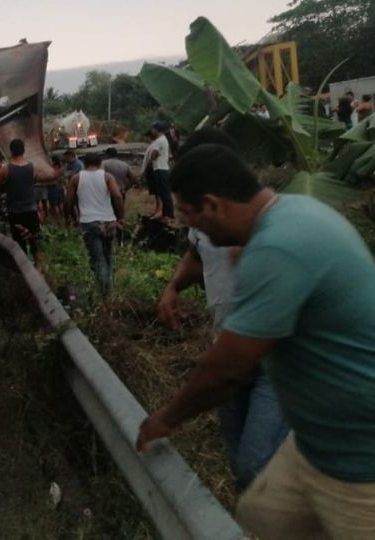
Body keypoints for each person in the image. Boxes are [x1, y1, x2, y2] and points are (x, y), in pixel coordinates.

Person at [137, 143, 375, 539]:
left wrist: (165, 418)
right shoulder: (294, 213)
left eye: (187, 213)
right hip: (314, 448)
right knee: (262, 515)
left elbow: (226, 370)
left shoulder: (277, 247)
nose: (185, 224)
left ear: (213, 205)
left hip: (359, 463)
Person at [157, 129, 287, 492]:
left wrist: (169, 416)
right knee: (239, 462)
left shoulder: (274, 222)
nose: (188, 219)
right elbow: (196, 255)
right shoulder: (206, 223)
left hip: (270, 360)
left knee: (256, 462)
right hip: (226, 347)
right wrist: (173, 287)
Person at [65, 153, 125, 294]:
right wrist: (121, 217)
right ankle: (109, 289)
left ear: (84, 163)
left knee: (97, 259)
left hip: (89, 223)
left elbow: (68, 201)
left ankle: (104, 293)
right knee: (108, 256)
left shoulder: (76, 178)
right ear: (100, 163)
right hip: (109, 221)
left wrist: (68, 218)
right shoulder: (107, 177)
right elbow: (117, 196)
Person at [0, 139, 42, 265]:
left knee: (20, 243)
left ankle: (23, 270)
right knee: (35, 240)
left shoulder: (6, 169)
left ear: (11, 151)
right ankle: (40, 269)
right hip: (31, 210)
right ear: (23, 151)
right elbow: (33, 182)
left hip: (15, 212)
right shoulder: (32, 167)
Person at [141, 121, 174, 221]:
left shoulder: (159, 140)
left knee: (165, 193)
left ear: (156, 130)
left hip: (160, 168)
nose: (152, 131)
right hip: (160, 168)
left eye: (153, 129)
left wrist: (152, 157)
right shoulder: (162, 139)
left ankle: (169, 215)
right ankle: (165, 214)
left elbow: (154, 154)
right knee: (162, 193)